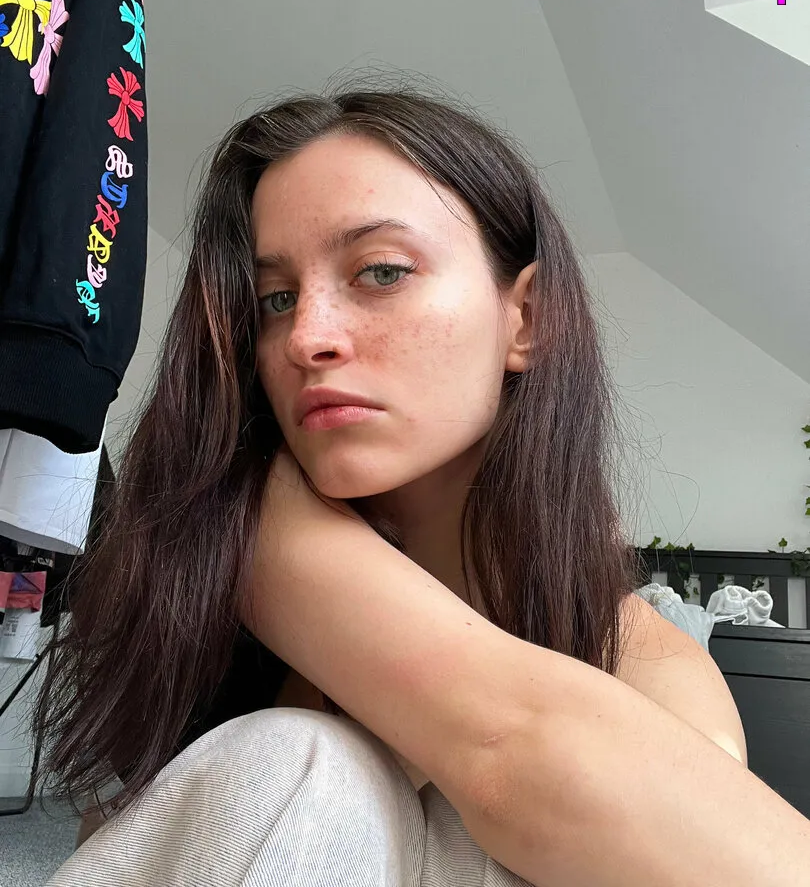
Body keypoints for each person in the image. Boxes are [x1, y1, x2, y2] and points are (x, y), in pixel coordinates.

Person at [31, 80, 760, 885]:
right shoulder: (238, 522)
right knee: (301, 762)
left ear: (527, 317)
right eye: (275, 299)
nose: (306, 337)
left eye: (380, 272)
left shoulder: (637, 646)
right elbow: (508, 746)